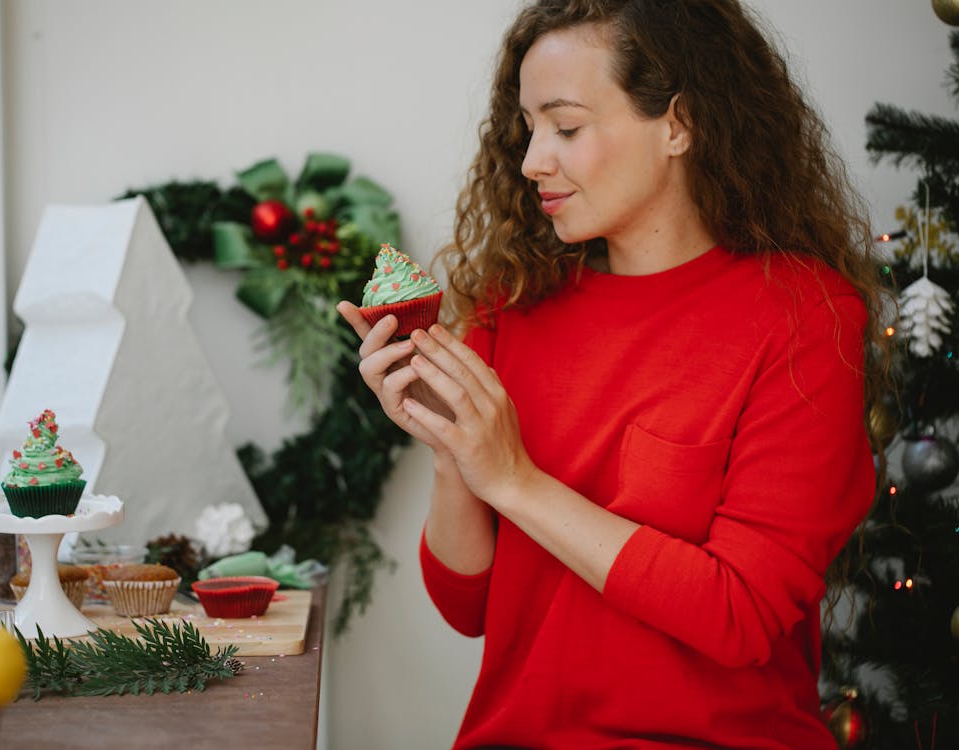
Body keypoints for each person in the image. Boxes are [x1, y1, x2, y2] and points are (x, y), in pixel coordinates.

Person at [337, 0, 886, 747]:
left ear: (678, 125)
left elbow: (739, 617)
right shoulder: (515, 304)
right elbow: (468, 607)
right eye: (527, 128)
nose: (532, 160)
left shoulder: (803, 315)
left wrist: (512, 478)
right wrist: (449, 447)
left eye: (564, 127)